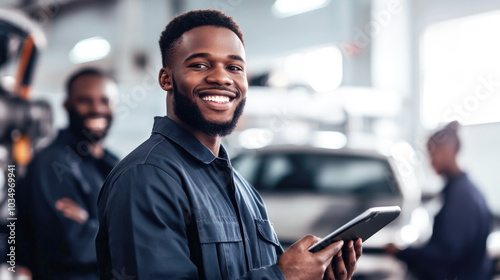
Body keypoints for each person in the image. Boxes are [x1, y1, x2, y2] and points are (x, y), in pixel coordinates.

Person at [96, 9, 362, 280]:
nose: (222, 78)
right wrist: (284, 276)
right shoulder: (146, 178)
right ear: (166, 79)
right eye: (200, 65)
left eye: (234, 67)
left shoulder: (243, 190)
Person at [18, 68, 119, 279]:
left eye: (104, 101)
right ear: (67, 105)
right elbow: (73, 246)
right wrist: (126, 232)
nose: (96, 109)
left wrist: (92, 226)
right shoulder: (53, 163)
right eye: (85, 101)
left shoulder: (114, 163)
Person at [385, 121, 493, 280]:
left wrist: (401, 252)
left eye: (432, 153)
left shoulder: (460, 197)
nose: (430, 161)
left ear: (447, 151)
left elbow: (445, 256)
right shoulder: (467, 190)